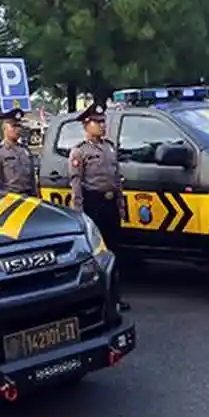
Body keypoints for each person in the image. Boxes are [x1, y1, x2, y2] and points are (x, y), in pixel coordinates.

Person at [68, 103, 130, 312]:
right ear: (86, 125)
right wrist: (79, 212)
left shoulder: (109, 147)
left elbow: (117, 179)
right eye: (97, 122)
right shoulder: (80, 151)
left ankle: (116, 296)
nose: (102, 126)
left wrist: (121, 206)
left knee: (114, 251)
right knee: (96, 253)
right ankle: (99, 298)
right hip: (93, 204)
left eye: (103, 122)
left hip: (110, 203)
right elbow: (76, 184)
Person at [0, 108, 38, 195]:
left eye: (19, 126)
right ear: (4, 128)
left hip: (29, 196)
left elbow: (32, 179)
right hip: (11, 197)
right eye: (13, 126)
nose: (17, 129)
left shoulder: (25, 150)